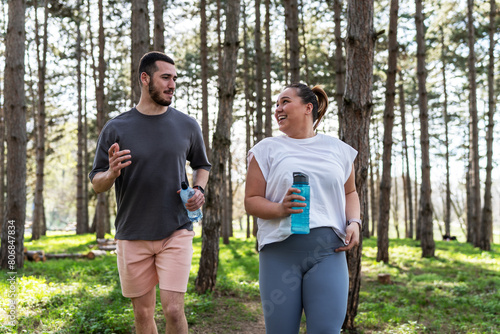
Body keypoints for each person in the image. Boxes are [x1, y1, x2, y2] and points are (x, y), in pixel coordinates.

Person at [89, 51, 211, 334]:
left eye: (175, 79)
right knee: (143, 314)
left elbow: (202, 164)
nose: (172, 85)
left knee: (172, 309)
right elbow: (97, 182)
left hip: (176, 229)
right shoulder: (116, 128)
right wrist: (111, 174)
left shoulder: (187, 125)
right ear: (145, 79)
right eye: (165, 77)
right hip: (132, 233)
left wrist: (199, 188)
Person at [244, 83, 361, 333]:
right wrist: (280, 209)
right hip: (279, 253)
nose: (278, 109)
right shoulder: (265, 149)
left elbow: (350, 192)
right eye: (276, 104)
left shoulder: (339, 150)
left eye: (285, 102)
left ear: (309, 107)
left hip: (328, 252)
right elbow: (251, 200)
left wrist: (354, 223)